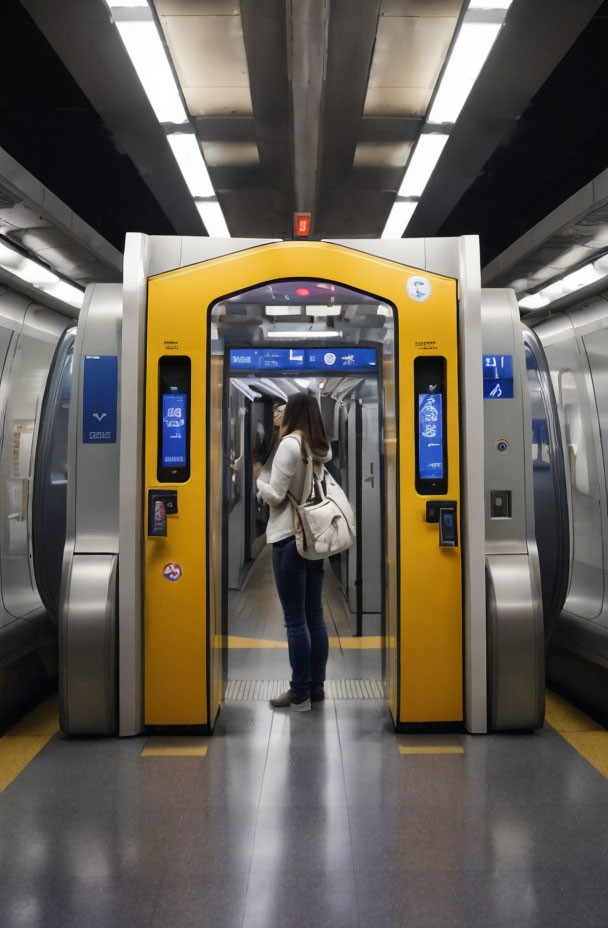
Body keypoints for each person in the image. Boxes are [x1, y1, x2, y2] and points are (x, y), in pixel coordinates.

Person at [256, 392, 332, 712]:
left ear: (296, 412)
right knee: (315, 614)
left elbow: (275, 496)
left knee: (295, 619)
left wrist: (257, 480)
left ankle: (299, 692)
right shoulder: (318, 448)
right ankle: (316, 687)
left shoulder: (290, 445)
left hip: (290, 538)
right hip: (314, 540)